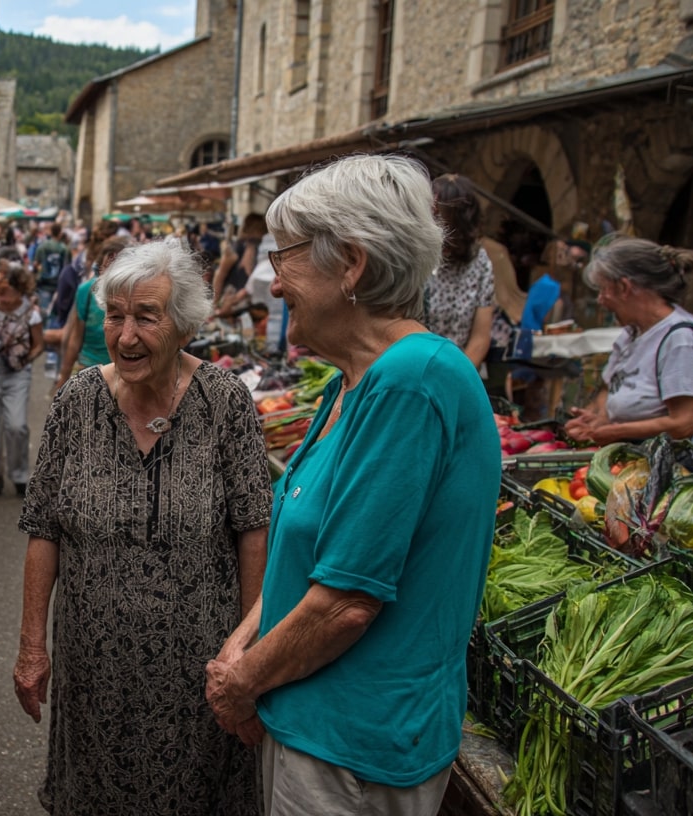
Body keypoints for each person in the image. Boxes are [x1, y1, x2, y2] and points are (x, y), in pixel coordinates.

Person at [203, 155, 501, 816]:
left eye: (286, 260)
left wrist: (241, 685)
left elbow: (346, 603)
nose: (274, 287)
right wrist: (244, 641)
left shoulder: (412, 379)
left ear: (352, 265)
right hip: (321, 728)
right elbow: (317, 554)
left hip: (353, 750)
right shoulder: (356, 381)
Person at [15, 238, 271, 815]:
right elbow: (43, 528)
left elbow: (254, 529)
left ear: (183, 325)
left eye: (146, 317)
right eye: (116, 315)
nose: (126, 335)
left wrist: (249, 659)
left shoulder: (224, 402)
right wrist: (33, 647)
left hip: (198, 672)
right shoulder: (77, 401)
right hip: (94, 669)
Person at [564, 235, 693, 445]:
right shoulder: (631, 333)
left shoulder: (681, 340)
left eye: (603, 290)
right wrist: (596, 419)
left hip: (662, 466)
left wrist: (614, 431)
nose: (600, 300)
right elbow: (610, 386)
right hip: (626, 458)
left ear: (624, 287)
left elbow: (686, 422)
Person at [0, 262, 45, 499]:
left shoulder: (30, 313)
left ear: (21, 292)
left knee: (17, 425)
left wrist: (24, 359)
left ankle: (20, 475)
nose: (1, 298)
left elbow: (39, 345)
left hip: (16, 374)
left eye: (8, 294)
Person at [424, 174, 495, 370]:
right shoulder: (416, 258)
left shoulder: (479, 263)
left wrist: (455, 377)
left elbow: (480, 339)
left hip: (459, 371)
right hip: (414, 369)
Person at [54, 236, 129, 391]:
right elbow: (75, 338)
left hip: (125, 374)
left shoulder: (136, 294)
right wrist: (63, 378)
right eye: (108, 262)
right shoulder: (86, 291)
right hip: (89, 369)